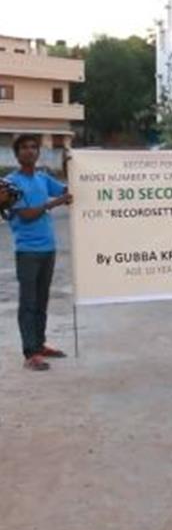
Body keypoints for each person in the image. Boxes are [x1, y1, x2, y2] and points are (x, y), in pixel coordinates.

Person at [6, 134, 73, 371]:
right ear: (17, 153)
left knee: (42, 300)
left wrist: (74, 165)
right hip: (27, 251)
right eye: (24, 148)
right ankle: (30, 353)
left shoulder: (43, 178)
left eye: (34, 147)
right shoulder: (9, 184)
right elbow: (26, 215)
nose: (30, 151)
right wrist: (54, 203)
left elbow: (67, 189)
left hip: (48, 248)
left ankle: (40, 344)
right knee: (28, 303)